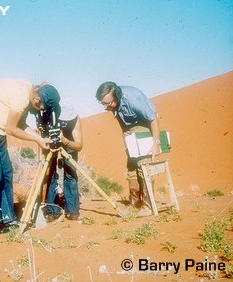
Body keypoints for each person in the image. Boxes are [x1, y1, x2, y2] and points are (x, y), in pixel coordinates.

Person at [0, 79, 60, 232]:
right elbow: (12, 129)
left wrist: (41, 139)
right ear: (37, 100)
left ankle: (8, 219)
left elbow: (20, 124)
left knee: (6, 173)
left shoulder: (27, 94)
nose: (41, 111)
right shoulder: (21, 97)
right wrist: (37, 139)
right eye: (42, 107)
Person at [95, 82, 161, 217]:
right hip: (129, 131)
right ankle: (135, 204)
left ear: (117, 97)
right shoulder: (112, 102)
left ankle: (148, 206)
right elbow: (121, 119)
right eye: (102, 103)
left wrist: (156, 143)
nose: (105, 107)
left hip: (143, 126)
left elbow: (153, 118)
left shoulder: (133, 99)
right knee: (132, 168)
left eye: (108, 103)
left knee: (143, 166)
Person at [40, 103, 83, 222]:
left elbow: (79, 146)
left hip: (68, 142)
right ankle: (51, 210)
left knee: (71, 174)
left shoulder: (75, 120)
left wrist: (65, 141)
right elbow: (40, 136)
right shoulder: (47, 116)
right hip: (50, 143)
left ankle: (73, 210)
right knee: (50, 175)